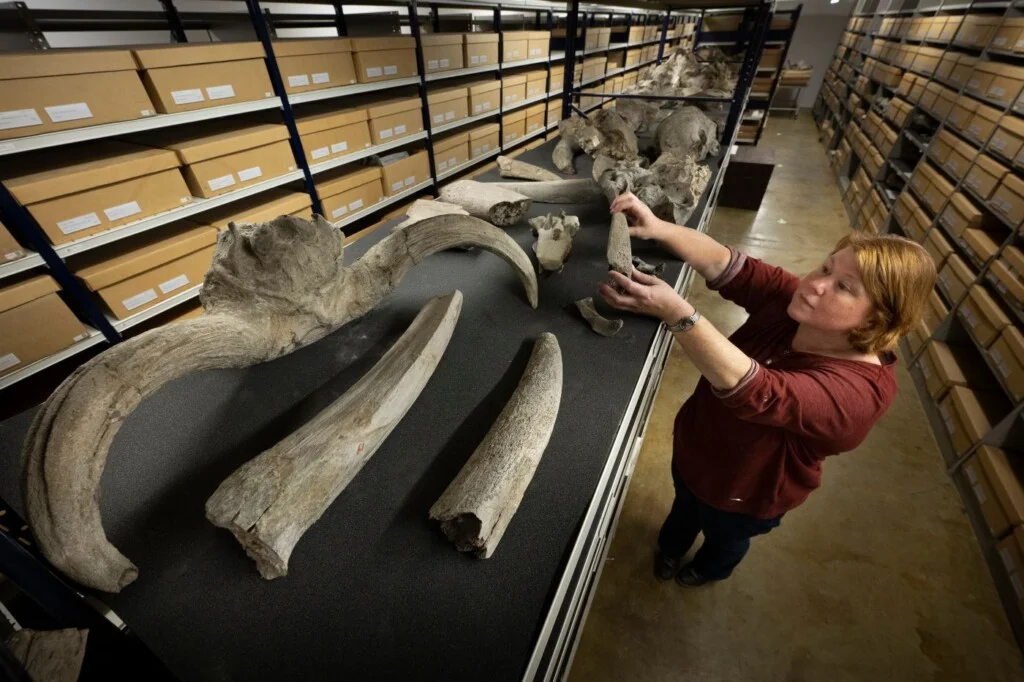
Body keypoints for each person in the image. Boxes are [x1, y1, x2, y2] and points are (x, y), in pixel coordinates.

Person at [598, 192, 936, 587]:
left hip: (746, 495)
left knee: (725, 539)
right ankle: (670, 550)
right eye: (825, 268)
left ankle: (708, 569)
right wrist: (658, 228)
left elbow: (760, 391)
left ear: (879, 318)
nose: (815, 285)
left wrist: (677, 312)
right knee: (682, 510)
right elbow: (726, 263)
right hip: (696, 450)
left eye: (843, 287)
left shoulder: (857, 395)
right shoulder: (799, 305)